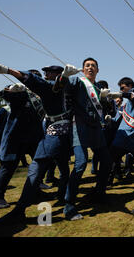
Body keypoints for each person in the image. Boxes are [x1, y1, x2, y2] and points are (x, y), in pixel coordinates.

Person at [0, 64, 70, 214]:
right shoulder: (21, 92)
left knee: (39, 166)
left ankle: (36, 190)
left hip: (35, 137)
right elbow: (6, 94)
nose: (41, 79)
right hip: (16, 136)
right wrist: (10, 90)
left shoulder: (43, 94)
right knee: (9, 167)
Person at [52, 58, 113, 220]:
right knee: (80, 164)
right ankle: (69, 205)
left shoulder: (98, 87)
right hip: (79, 126)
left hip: (96, 129)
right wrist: (64, 76)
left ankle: (99, 192)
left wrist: (106, 102)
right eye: (87, 66)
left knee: (107, 161)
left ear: (98, 70)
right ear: (83, 69)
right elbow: (57, 88)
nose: (90, 68)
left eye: (93, 66)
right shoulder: (77, 81)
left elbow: (102, 108)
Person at [108, 77, 134, 186]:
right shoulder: (125, 105)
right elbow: (117, 120)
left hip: (132, 135)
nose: (121, 90)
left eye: (123, 88)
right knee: (113, 157)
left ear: (130, 86)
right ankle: (110, 180)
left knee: (112, 157)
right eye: (120, 88)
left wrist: (121, 94)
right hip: (123, 136)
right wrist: (110, 119)